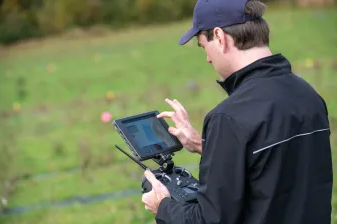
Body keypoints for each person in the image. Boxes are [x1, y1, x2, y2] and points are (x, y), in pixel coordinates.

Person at [141, 0, 333, 223]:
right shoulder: (308, 95)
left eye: (204, 46)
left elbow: (210, 220)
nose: (208, 58)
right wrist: (206, 146)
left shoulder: (228, 118)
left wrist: (162, 206)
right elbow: (277, 168)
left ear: (220, 37)